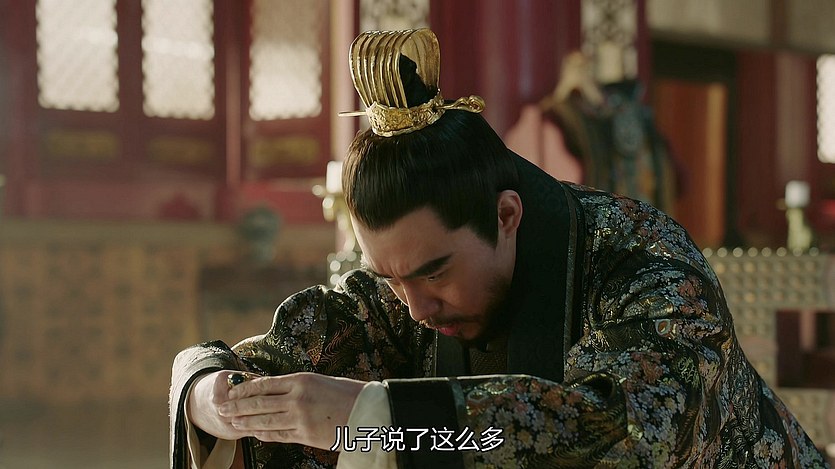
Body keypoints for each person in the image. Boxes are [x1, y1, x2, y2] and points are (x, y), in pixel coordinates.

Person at [169, 28, 830, 469]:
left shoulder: (644, 259)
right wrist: (210, 397)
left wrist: (379, 419)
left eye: (434, 272)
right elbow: (281, 358)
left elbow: (625, 434)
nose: (415, 307)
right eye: (391, 279)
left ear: (506, 215)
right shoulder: (402, 295)